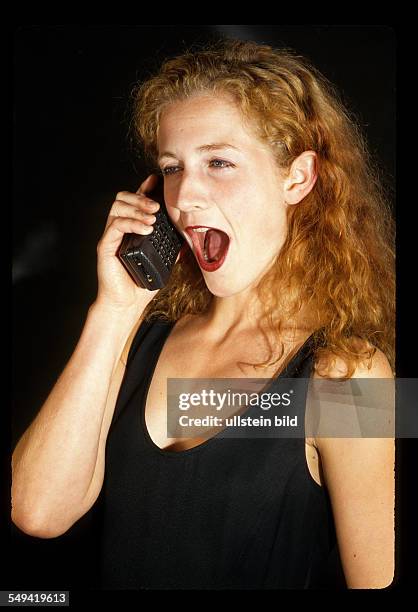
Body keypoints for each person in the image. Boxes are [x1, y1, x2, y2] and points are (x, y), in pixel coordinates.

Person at [11, 39, 395, 589]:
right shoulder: (135, 339)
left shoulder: (354, 376)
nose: (185, 194)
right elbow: (37, 513)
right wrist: (115, 310)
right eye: (171, 168)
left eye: (218, 162)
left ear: (298, 178)